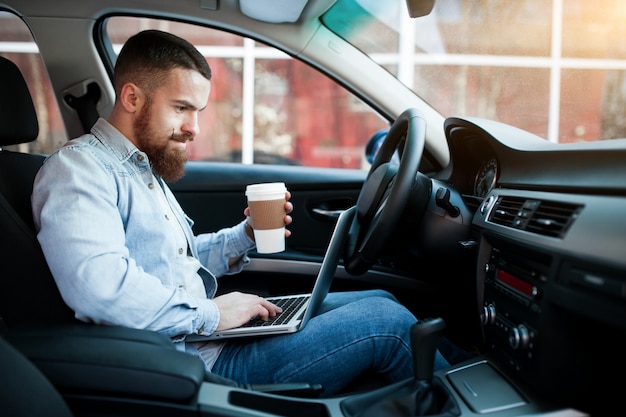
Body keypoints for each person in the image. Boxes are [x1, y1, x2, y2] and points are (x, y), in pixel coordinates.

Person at [31, 29, 451, 397]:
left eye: (198, 111)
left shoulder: (142, 168)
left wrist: (245, 235)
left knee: (381, 297)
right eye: (181, 108)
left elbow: (173, 262)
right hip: (192, 365)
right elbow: (100, 289)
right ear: (132, 97)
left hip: (207, 340)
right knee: (388, 322)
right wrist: (214, 314)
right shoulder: (77, 171)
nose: (194, 128)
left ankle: (470, 379)